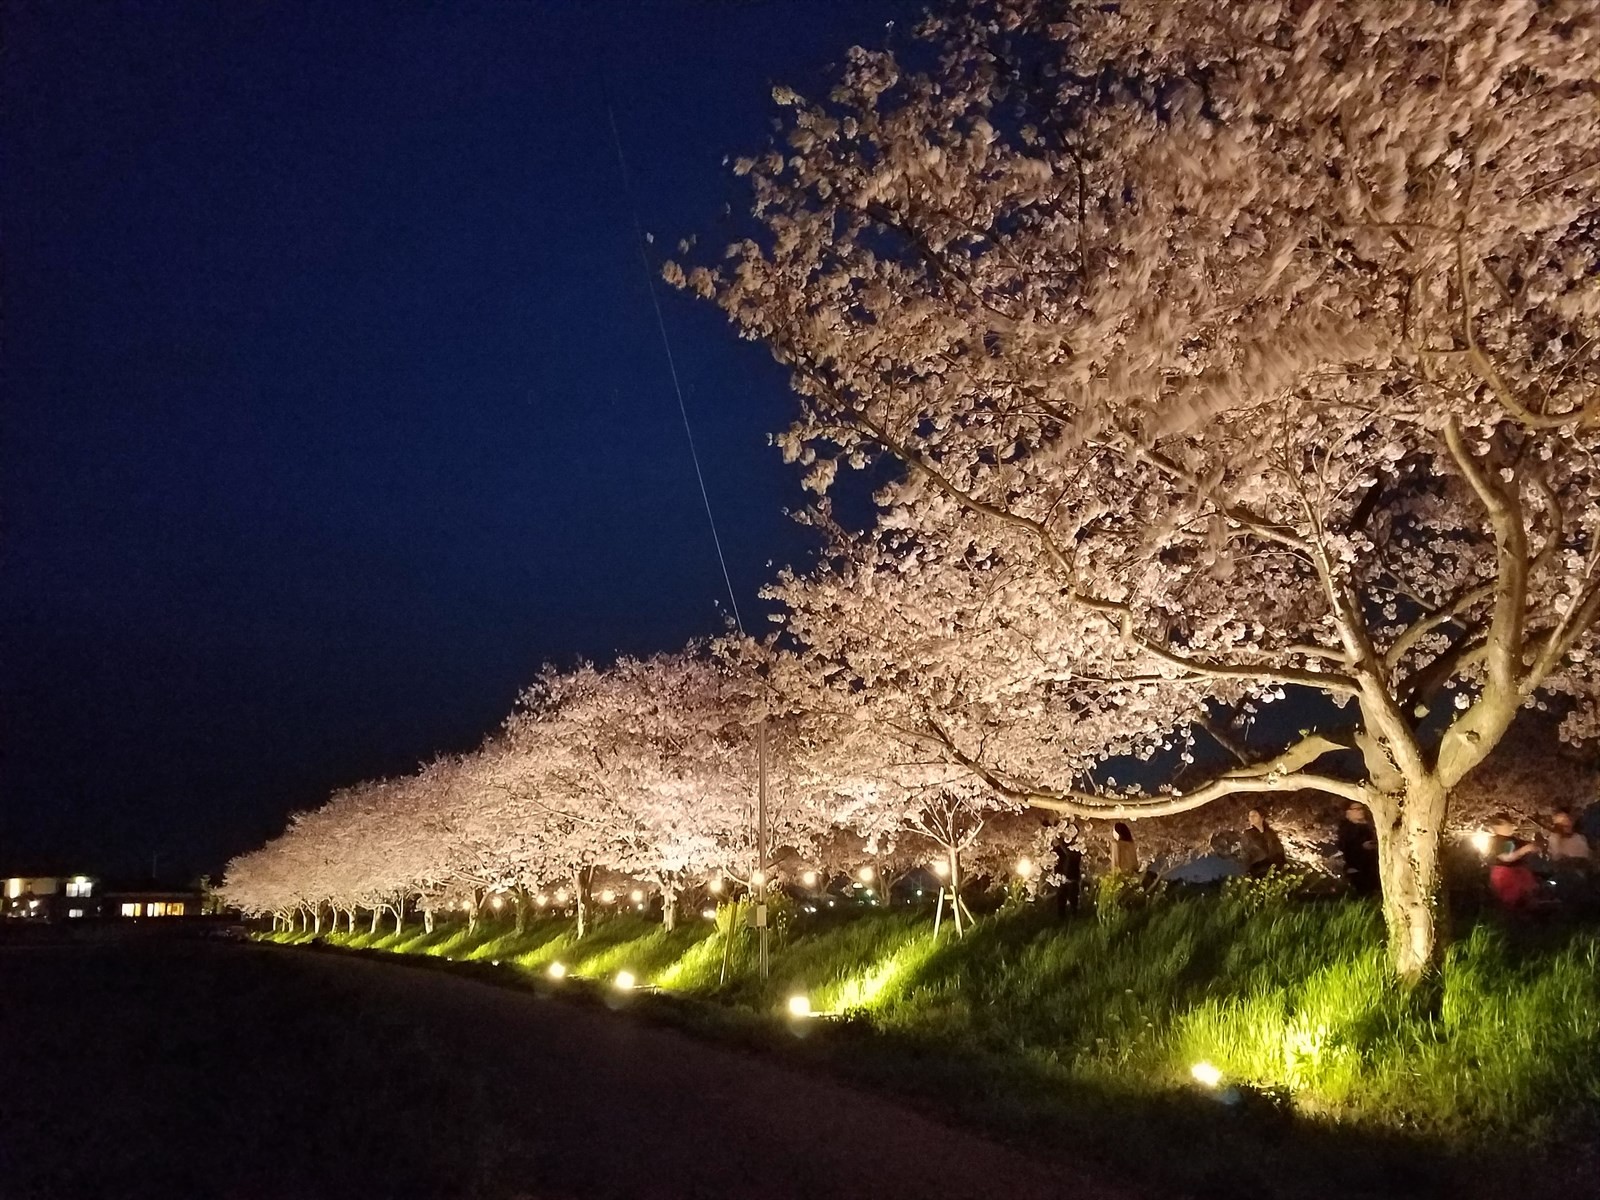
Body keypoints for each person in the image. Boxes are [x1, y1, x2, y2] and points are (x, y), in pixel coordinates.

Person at [1487, 813, 1540, 911]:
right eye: (1508, 824)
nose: (1511, 826)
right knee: (1512, 899)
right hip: (1506, 874)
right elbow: (1506, 857)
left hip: (1517, 872)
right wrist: (1525, 850)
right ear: (1498, 827)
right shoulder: (1499, 841)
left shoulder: (1512, 840)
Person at [1336, 802, 1380, 896]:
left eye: (1362, 808)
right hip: (1358, 869)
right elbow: (1344, 846)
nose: (1360, 811)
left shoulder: (1371, 826)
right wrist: (1361, 847)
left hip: (1374, 867)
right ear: (1348, 812)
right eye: (1357, 809)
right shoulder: (1346, 829)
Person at [1239, 808, 1287, 877]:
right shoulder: (1248, 834)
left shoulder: (1270, 833)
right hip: (1258, 869)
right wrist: (1247, 871)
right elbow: (1245, 853)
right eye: (1250, 816)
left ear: (1262, 817)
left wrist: (1283, 865)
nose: (1251, 818)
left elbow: (1279, 850)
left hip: (1275, 867)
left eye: (1255, 815)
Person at [1052, 829, 1083, 916]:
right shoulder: (1062, 849)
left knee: (1073, 904)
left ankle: (1074, 920)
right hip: (1063, 880)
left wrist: (1060, 840)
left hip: (1072, 881)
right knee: (1061, 904)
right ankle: (1061, 922)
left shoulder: (1077, 848)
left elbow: (1070, 854)